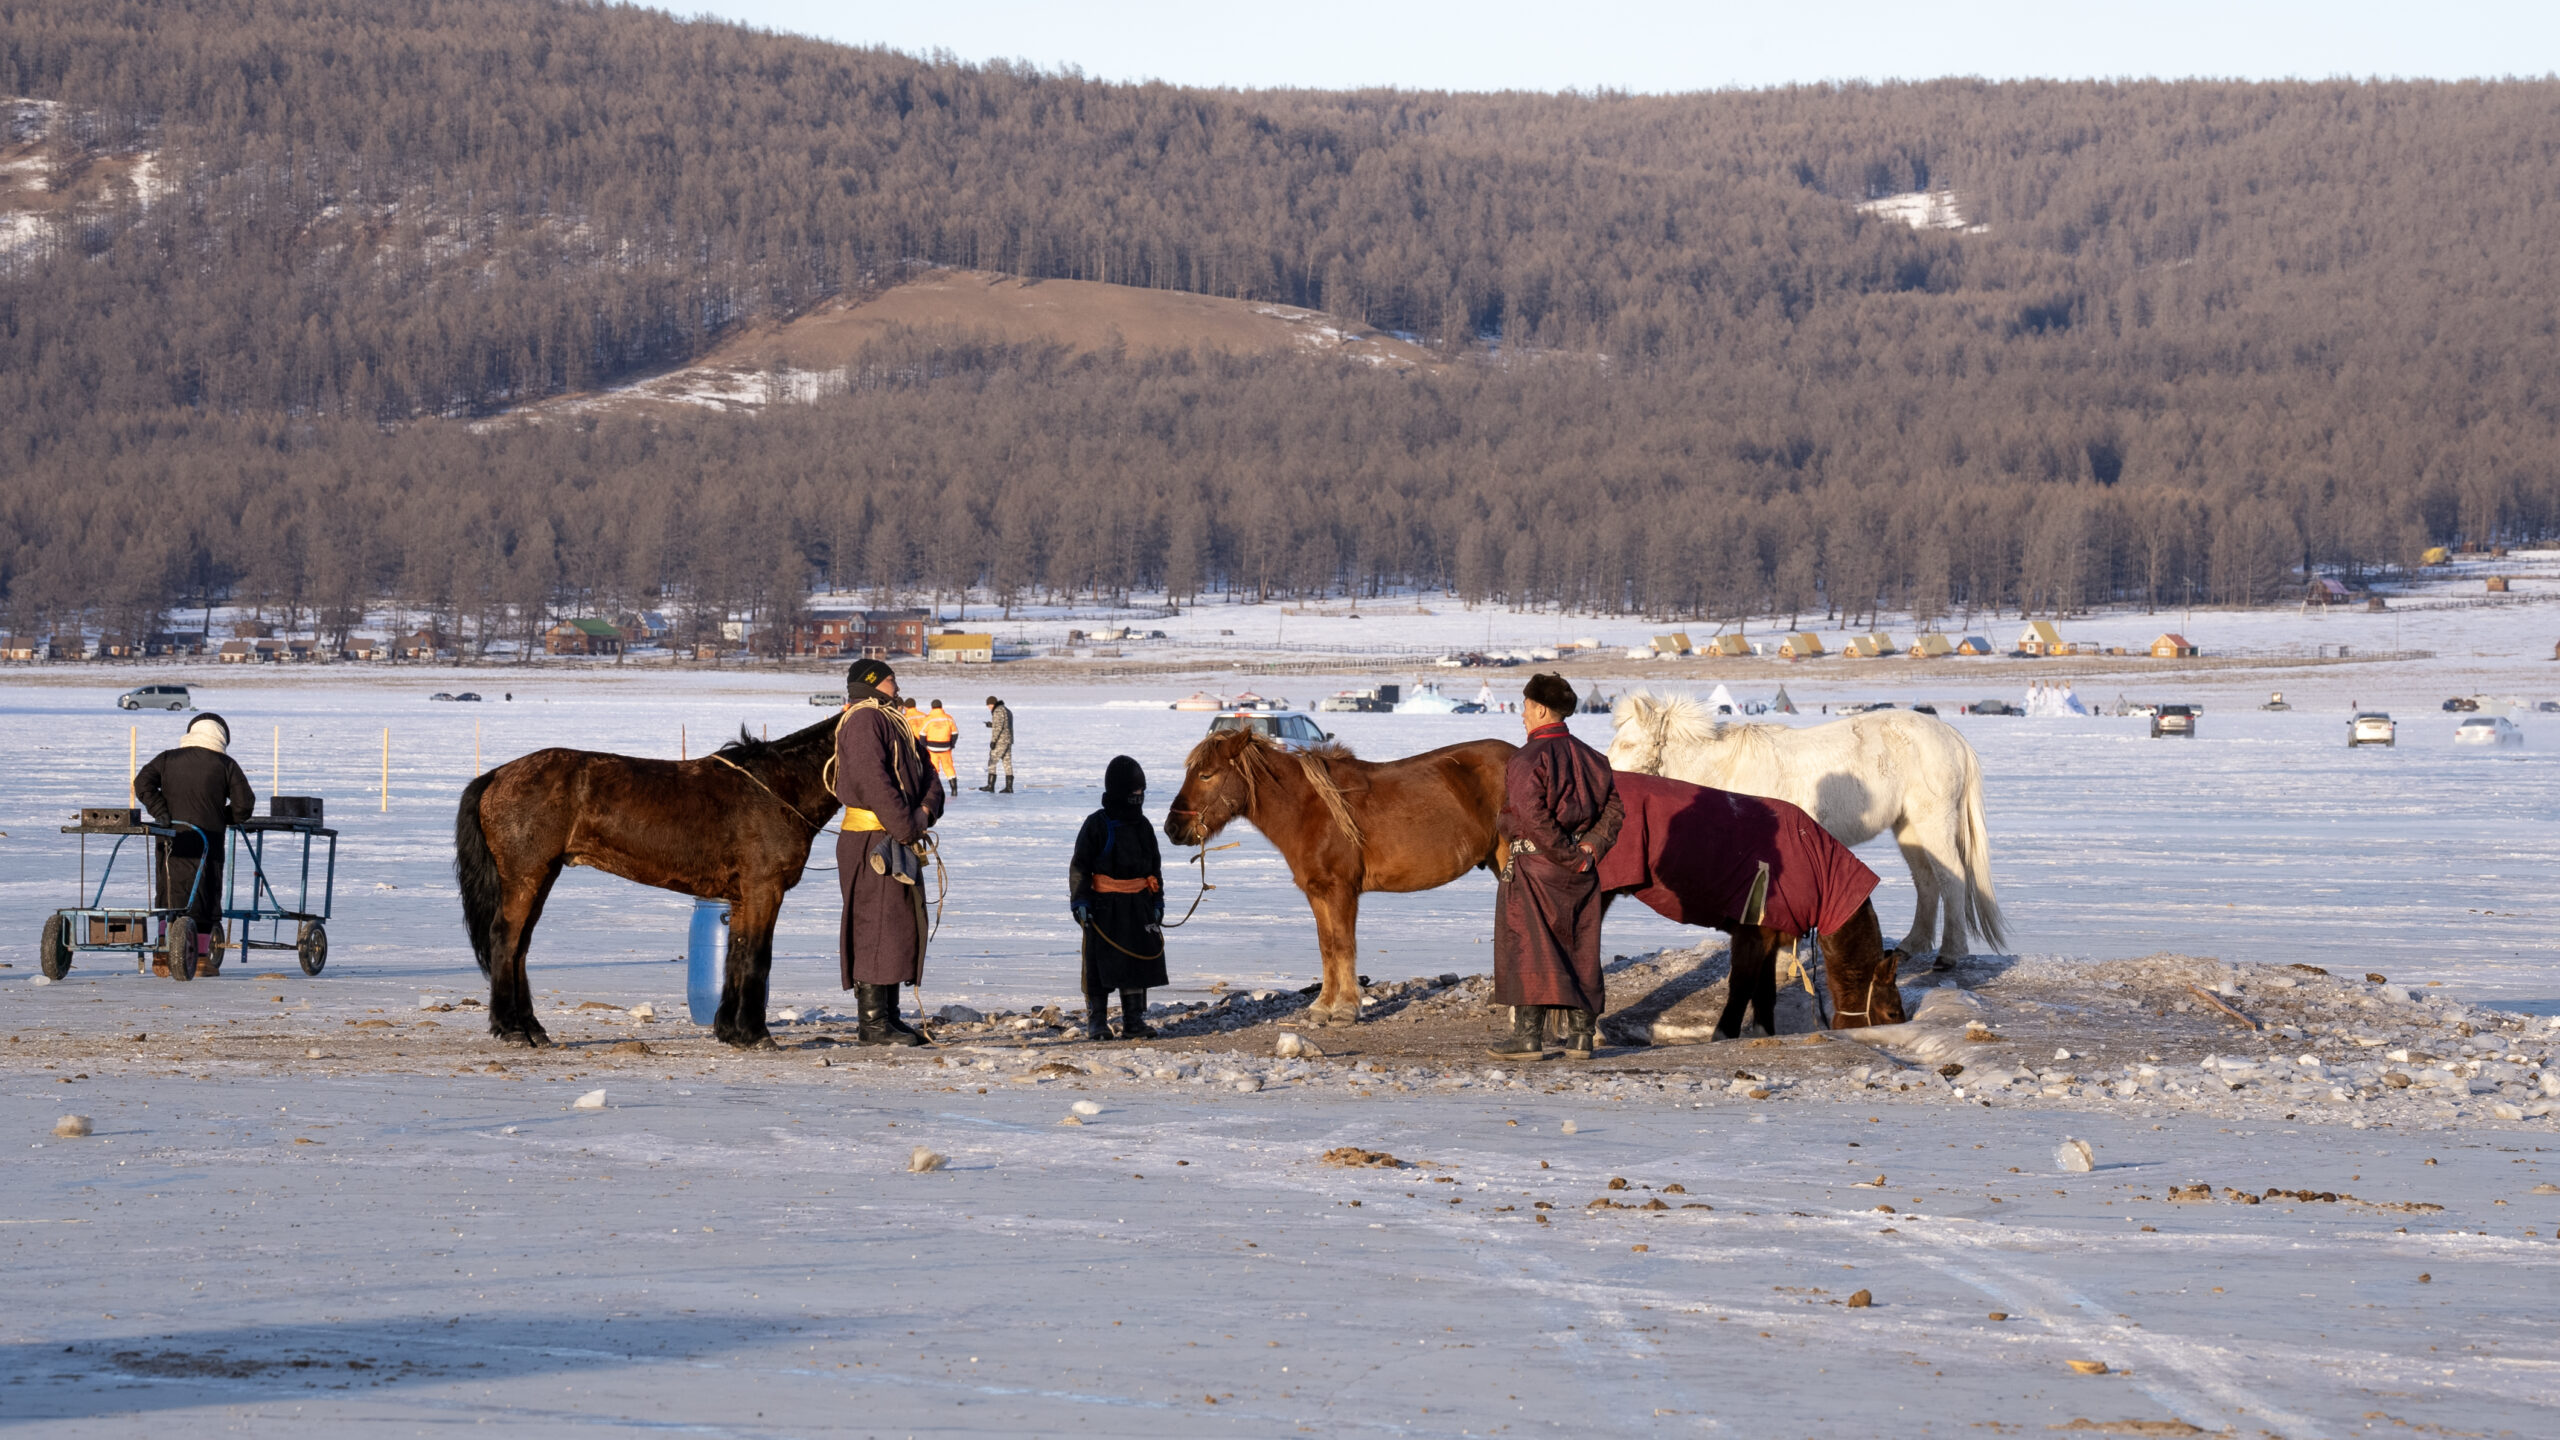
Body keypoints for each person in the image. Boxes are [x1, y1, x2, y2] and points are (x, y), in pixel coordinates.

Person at [1489, 673, 1623, 1062]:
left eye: (1526, 706)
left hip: (1537, 867)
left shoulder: (1527, 758)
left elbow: (1532, 816)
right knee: (1581, 946)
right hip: (1582, 871)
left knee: (1529, 947)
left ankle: (1527, 1038)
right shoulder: (1594, 759)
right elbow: (1615, 809)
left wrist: (1566, 854)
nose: (1523, 714)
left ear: (1542, 708)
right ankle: (1582, 1036)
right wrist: (1590, 850)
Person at [831, 658, 946, 1046]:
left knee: (896, 923)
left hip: (897, 833)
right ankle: (872, 1022)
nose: (898, 686)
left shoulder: (891, 719)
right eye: (892, 680)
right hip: (873, 839)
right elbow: (872, 781)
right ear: (873, 683)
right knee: (874, 923)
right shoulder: (864, 720)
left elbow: (929, 772)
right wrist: (906, 826)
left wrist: (926, 810)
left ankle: (890, 1016)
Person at [133, 713, 255, 968]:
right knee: (204, 894)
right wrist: (222, 817)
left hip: (170, 840)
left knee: (169, 892)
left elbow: (142, 782)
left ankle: (163, 954)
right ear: (221, 736)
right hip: (208, 842)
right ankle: (199, 960)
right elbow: (244, 805)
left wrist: (161, 812)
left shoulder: (167, 758)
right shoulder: (225, 764)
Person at [1069, 755, 1166, 1041]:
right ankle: (1097, 1021)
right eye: (1134, 793)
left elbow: (1154, 868)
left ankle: (1134, 1020)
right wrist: (1080, 902)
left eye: (1142, 793)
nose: (1139, 798)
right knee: (1099, 965)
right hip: (1103, 908)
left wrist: (1157, 902)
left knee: (1137, 963)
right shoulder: (1096, 825)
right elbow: (1079, 867)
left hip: (1139, 906)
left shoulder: (1144, 826)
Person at [918, 699, 960, 786]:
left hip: (932, 747)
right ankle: (954, 789)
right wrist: (952, 744)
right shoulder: (949, 718)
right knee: (948, 767)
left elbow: (922, 734)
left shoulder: (928, 719)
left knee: (934, 768)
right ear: (941, 707)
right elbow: (955, 733)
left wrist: (925, 746)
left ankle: (934, 786)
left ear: (932, 707)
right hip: (946, 747)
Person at [980, 695, 1014, 793]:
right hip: (1008, 741)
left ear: (992, 704)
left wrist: (993, 741)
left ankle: (990, 786)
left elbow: (999, 728)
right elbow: (1004, 725)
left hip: (1000, 741)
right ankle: (1009, 787)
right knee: (1007, 763)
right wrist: (992, 724)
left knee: (992, 761)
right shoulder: (1007, 710)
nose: (988, 707)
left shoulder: (998, 711)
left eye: (989, 705)